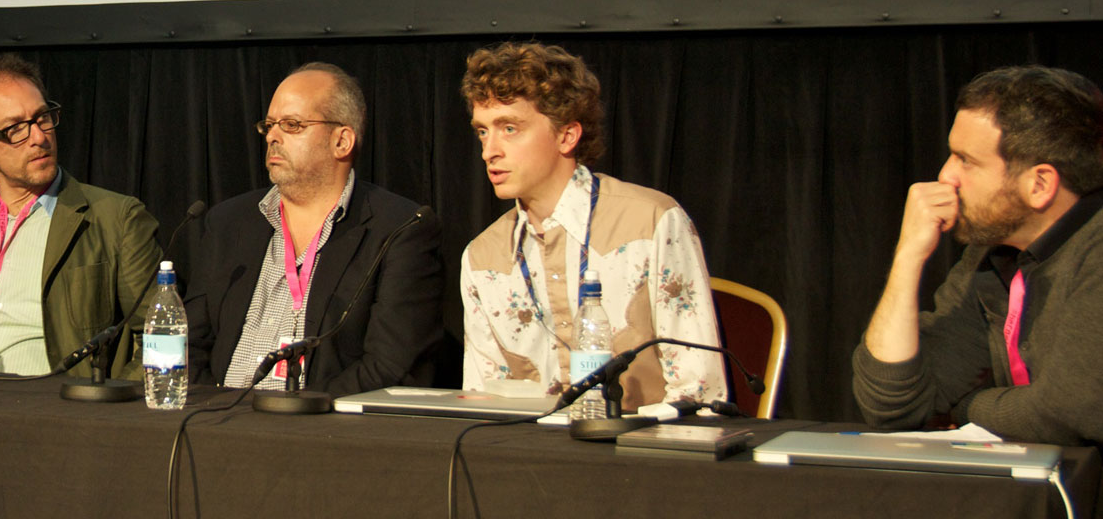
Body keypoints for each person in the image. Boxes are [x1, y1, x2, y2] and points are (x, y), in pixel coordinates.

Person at [459, 41, 725, 408]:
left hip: (645, 449)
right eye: (483, 131)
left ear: (567, 135)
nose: (490, 150)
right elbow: (483, 400)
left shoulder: (650, 222)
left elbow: (700, 392)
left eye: (509, 128)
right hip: (532, 455)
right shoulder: (481, 257)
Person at [853, 65, 1103, 444]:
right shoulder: (992, 257)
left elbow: (1071, 410)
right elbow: (892, 406)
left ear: (1039, 184)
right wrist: (907, 257)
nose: (945, 176)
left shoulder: (1095, 250)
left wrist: (967, 407)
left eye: (965, 160)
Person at [184, 62, 443, 395]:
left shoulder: (400, 229)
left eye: (292, 125)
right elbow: (188, 342)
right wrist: (212, 409)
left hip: (320, 432)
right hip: (218, 421)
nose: (273, 137)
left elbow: (391, 367)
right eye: (269, 125)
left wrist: (296, 413)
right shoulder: (228, 222)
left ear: (342, 141)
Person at [0, 55, 161, 376]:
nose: (39, 137)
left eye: (42, 118)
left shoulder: (116, 219)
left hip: (46, 407)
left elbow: (162, 335)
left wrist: (106, 408)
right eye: (15, 128)